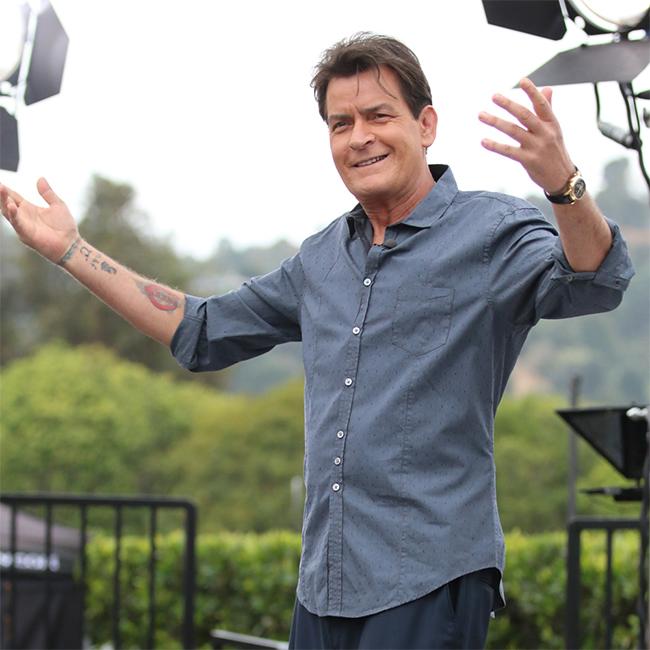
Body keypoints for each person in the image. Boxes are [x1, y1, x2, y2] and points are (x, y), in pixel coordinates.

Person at [0, 32, 634, 650]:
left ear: (426, 124)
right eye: (340, 123)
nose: (358, 137)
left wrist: (564, 184)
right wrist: (71, 251)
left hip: (430, 578)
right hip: (323, 589)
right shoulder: (322, 258)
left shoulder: (491, 230)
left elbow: (598, 279)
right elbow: (200, 329)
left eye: (379, 115)